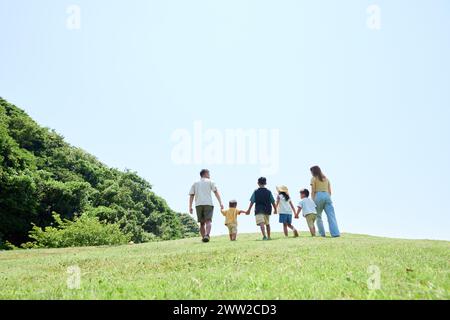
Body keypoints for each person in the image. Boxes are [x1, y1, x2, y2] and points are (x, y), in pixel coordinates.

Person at [189, 169, 224, 242]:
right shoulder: (210, 182)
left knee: (202, 223)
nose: (209, 175)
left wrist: (190, 206)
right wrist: (220, 203)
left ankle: (203, 238)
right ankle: (207, 235)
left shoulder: (195, 183)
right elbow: (216, 192)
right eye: (208, 173)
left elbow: (191, 195)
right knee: (208, 221)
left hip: (198, 204)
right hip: (208, 203)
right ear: (205, 174)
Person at [310, 165, 340, 237]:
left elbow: (313, 190)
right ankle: (335, 233)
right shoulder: (326, 178)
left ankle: (322, 234)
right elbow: (330, 191)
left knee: (318, 216)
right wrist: (327, 197)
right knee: (331, 216)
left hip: (318, 195)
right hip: (327, 196)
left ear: (313, 171)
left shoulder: (313, 178)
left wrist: (313, 201)